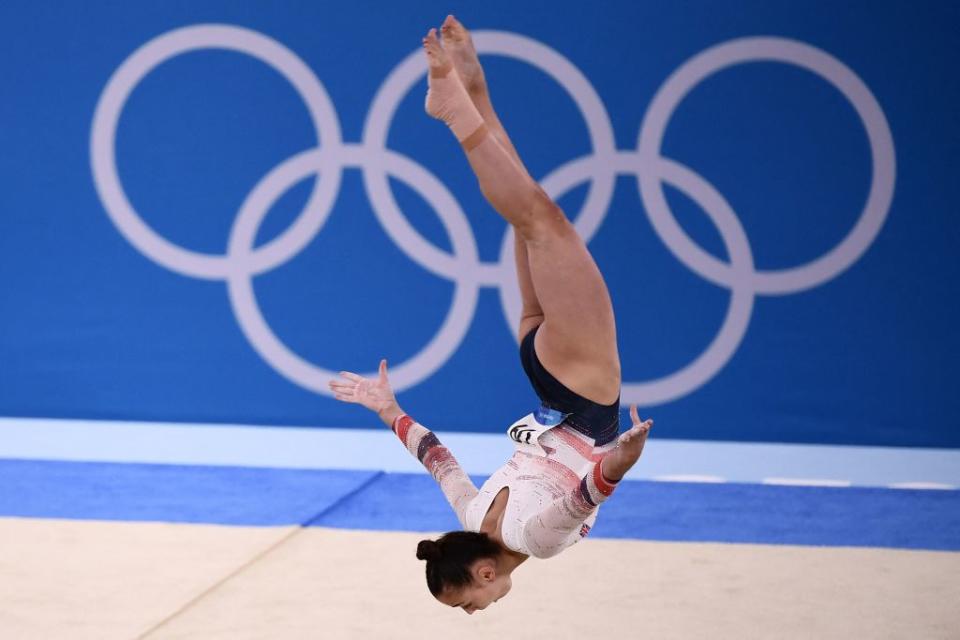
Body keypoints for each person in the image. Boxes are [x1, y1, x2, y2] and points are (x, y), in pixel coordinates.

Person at [329, 15, 652, 615]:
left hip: (582, 390)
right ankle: (473, 90)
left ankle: (457, 112)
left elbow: (584, 496)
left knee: (538, 220)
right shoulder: (472, 514)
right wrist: (389, 411)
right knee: (527, 211)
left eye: (468, 602)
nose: (474, 612)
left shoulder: (533, 541)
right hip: (541, 369)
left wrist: (621, 462)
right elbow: (439, 460)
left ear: (482, 571)